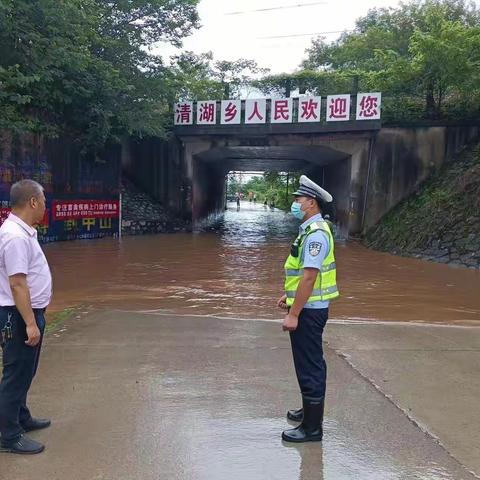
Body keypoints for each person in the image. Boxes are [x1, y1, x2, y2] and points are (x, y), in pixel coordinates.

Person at [277, 175, 339, 443]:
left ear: (311, 203)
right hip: (308, 306)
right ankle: (309, 411)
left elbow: (310, 277)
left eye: (298, 200)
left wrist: (294, 313)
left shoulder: (316, 235)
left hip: (310, 311)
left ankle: (312, 428)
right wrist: (289, 297)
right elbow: (301, 274)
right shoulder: (311, 230)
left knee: (309, 365)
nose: (295, 204)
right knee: (309, 362)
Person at [0, 180, 52, 455]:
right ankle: (8, 435)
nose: (45, 206)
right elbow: (17, 283)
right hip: (18, 317)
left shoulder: (23, 232)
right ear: (33, 202)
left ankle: (20, 416)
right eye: (43, 201)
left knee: (25, 371)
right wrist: (31, 323)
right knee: (16, 374)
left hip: (26, 314)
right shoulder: (15, 237)